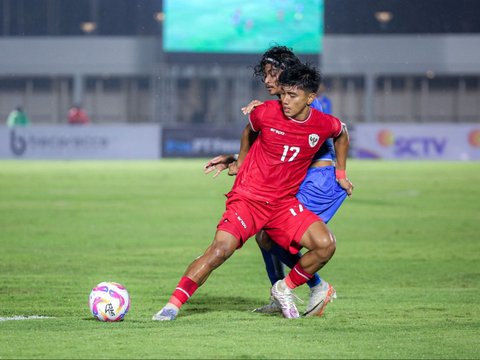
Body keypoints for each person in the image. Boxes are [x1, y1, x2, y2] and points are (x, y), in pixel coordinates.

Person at [152, 63, 353, 321]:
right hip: (248, 199)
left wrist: (341, 175)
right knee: (220, 250)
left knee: (326, 245)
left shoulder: (322, 123)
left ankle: (284, 288)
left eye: (292, 96)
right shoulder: (266, 113)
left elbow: (342, 133)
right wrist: (239, 162)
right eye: (283, 95)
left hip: (282, 204)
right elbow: (250, 132)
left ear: (310, 98)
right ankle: (172, 306)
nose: (285, 101)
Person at [205, 46, 349, 317]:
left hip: (317, 180)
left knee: (269, 235)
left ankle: (315, 286)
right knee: (265, 235)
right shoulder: (286, 104)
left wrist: (340, 173)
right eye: (266, 75)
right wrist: (236, 158)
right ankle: (281, 294)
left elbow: (317, 141)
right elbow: (278, 153)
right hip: (303, 178)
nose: (268, 81)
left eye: (273, 75)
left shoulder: (304, 102)